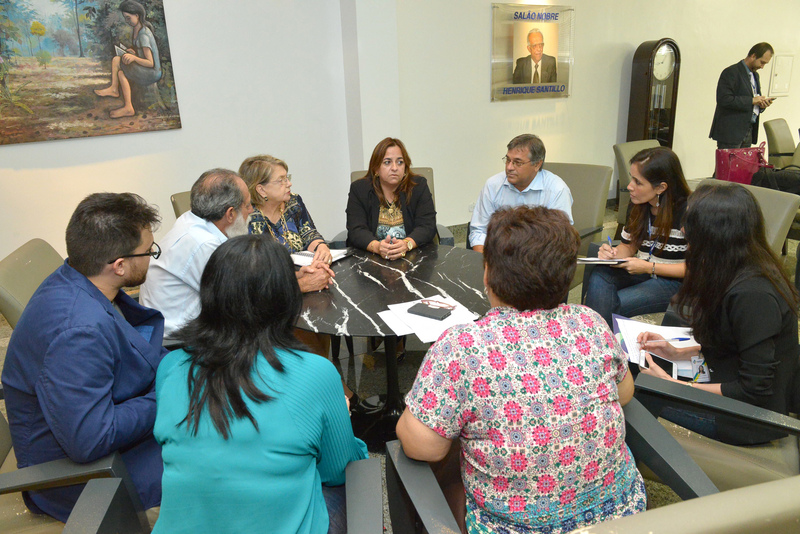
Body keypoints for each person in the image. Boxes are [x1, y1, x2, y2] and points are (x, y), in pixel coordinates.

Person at [397, 206, 646, 534]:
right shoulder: (590, 322)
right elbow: (624, 394)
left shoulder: (461, 347)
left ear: (487, 273)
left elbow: (421, 446)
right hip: (625, 522)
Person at [153, 235, 367, 534]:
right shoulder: (316, 373)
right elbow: (338, 471)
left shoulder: (171, 367)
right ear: (286, 297)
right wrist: (340, 418)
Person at [1, 193, 166, 521]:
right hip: (83, 478)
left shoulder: (81, 277)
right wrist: (167, 395)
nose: (152, 258)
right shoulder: (77, 332)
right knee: (220, 462)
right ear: (119, 266)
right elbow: (91, 440)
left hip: (99, 427)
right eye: (150, 251)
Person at [639, 182, 799, 446]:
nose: (683, 229)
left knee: (633, 390)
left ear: (714, 233)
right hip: (727, 380)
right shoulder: (735, 267)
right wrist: (678, 352)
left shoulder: (753, 295)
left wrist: (673, 386)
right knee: (632, 367)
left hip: (747, 417)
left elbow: (754, 389)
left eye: (690, 223)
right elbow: (733, 342)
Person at [139, 168, 333, 337]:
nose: (251, 211)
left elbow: (247, 278)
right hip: (186, 341)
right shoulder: (204, 245)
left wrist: (292, 276)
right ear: (230, 214)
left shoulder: (193, 220)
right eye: (248, 205)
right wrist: (301, 285)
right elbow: (247, 301)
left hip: (201, 324)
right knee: (295, 325)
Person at [584, 147, 690, 327]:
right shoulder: (638, 204)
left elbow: (695, 270)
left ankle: (596, 337)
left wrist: (649, 267)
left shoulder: (688, 212)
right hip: (642, 270)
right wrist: (613, 253)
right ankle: (600, 338)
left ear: (661, 187)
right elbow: (629, 246)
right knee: (601, 273)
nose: (629, 186)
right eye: (631, 178)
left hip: (674, 282)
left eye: (638, 182)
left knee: (609, 305)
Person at [469, 133, 573, 252]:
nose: (509, 167)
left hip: (538, 256)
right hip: (499, 255)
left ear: (537, 164)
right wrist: (486, 260)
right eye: (508, 160)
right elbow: (479, 231)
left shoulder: (557, 190)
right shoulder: (493, 185)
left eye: (518, 162)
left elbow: (559, 239)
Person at [346, 137, 437, 260]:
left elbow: (427, 225)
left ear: (405, 167)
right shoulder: (359, 189)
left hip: (413, 256)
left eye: (400, 162)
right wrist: (377, 247)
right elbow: (356, 230)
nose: (394, 168)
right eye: (387, 162)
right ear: (376, 168)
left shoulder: (418, 186)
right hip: (371, 258)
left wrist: (407, 244)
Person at [240, 154, 332, 264]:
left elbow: (308, 233)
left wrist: (321, 247)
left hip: (303, 268)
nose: (289, 184)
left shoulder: (294, 202)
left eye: (287, 178)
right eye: (281, 180)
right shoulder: (246, 215)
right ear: (261, 190)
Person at [94, 0, 162, 118]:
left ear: (137, 15)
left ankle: (116, 91)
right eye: (125, 18)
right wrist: (133, 52)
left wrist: (134, 58)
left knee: (117, 61)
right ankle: (127, 106)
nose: (127, 21)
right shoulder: (137, 29)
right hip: (145, 68)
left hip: (152, 73)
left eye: (128, 18)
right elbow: (142, 53)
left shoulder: (144, 34)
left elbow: (150, 63)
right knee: (120, 71)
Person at [709, 42, 775, 149]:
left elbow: (754, 99)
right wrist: (751, 101)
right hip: (731, 133)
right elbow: (724, 99)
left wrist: (761, 105)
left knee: (745, 161)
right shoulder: (731, 72)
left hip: (748, 130)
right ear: (753, 56)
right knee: (729, 161)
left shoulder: (755, 75)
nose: (762, 67)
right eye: (762, 62)